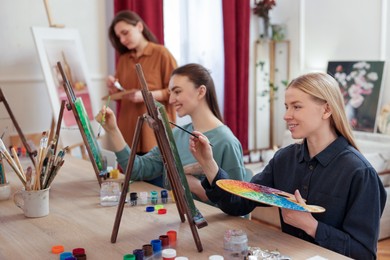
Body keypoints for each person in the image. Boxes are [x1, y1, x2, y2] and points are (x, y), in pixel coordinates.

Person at [189, 72, 387, 259]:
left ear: (326, 109)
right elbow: (239, 204)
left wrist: (311, 226)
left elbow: (364, 254)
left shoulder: (360, 173)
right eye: (286, 106)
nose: (286, 115)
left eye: (297, 106)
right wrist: (208, 162)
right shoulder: (284, 159)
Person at [96, 63, 247, 204]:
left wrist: (196, 187)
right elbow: (137, 169)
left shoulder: (226, 142)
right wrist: (112, 129)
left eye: (177, 92)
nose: (171, 99)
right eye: (170, 93)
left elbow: (237, 206)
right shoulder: (176, 135)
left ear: (201, 91)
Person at [107, 10, 177, 154]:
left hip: (154, 133)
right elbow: (122, 93)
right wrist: (114, 89)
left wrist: (146, 95)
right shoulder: (124, 60)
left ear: (139, 26)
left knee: (155, 175)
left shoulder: (162, 54)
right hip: (128, 132)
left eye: (125, 33)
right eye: (119, 36)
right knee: (129, 175)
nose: (122, 40)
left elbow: (175, 91)